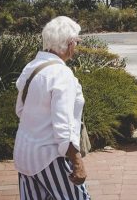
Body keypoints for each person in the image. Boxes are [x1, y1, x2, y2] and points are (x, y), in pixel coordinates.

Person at [13, 16, 90, 200]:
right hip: (50, 157)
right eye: (76, 42)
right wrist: (77, 162)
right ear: (70, 44)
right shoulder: (62, 74)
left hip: (25, 153)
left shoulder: (32, 66)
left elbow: (20, 110)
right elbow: (63, 124)